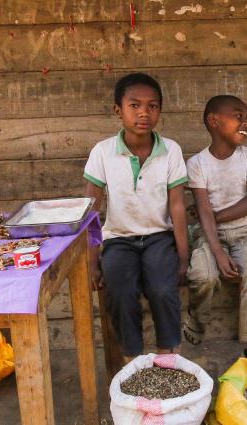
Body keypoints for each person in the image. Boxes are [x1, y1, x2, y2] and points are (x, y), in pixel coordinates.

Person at [83, 73, 189, 363]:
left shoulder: (171, 150)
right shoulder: (103, 152)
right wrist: (93, 263)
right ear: (118, 110)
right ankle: (133, 360)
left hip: (159, 238)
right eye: (135, 105)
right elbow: (91, 211)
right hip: (118, 239)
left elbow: (178, 206)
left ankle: (169, 358)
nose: (144, 112)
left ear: (160, 111)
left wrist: (183, 258)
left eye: (152, 106)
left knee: (163, 289)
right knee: (119, 290)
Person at [185, 95, 247, 362]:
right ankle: (198, 320)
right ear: (214, 121)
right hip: (209, 236)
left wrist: (212, 217)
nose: (246, 123)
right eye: (238, 116)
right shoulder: (197, 164)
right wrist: (217, 253)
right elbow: (201, 208)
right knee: (203, 274)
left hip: (245, 231)